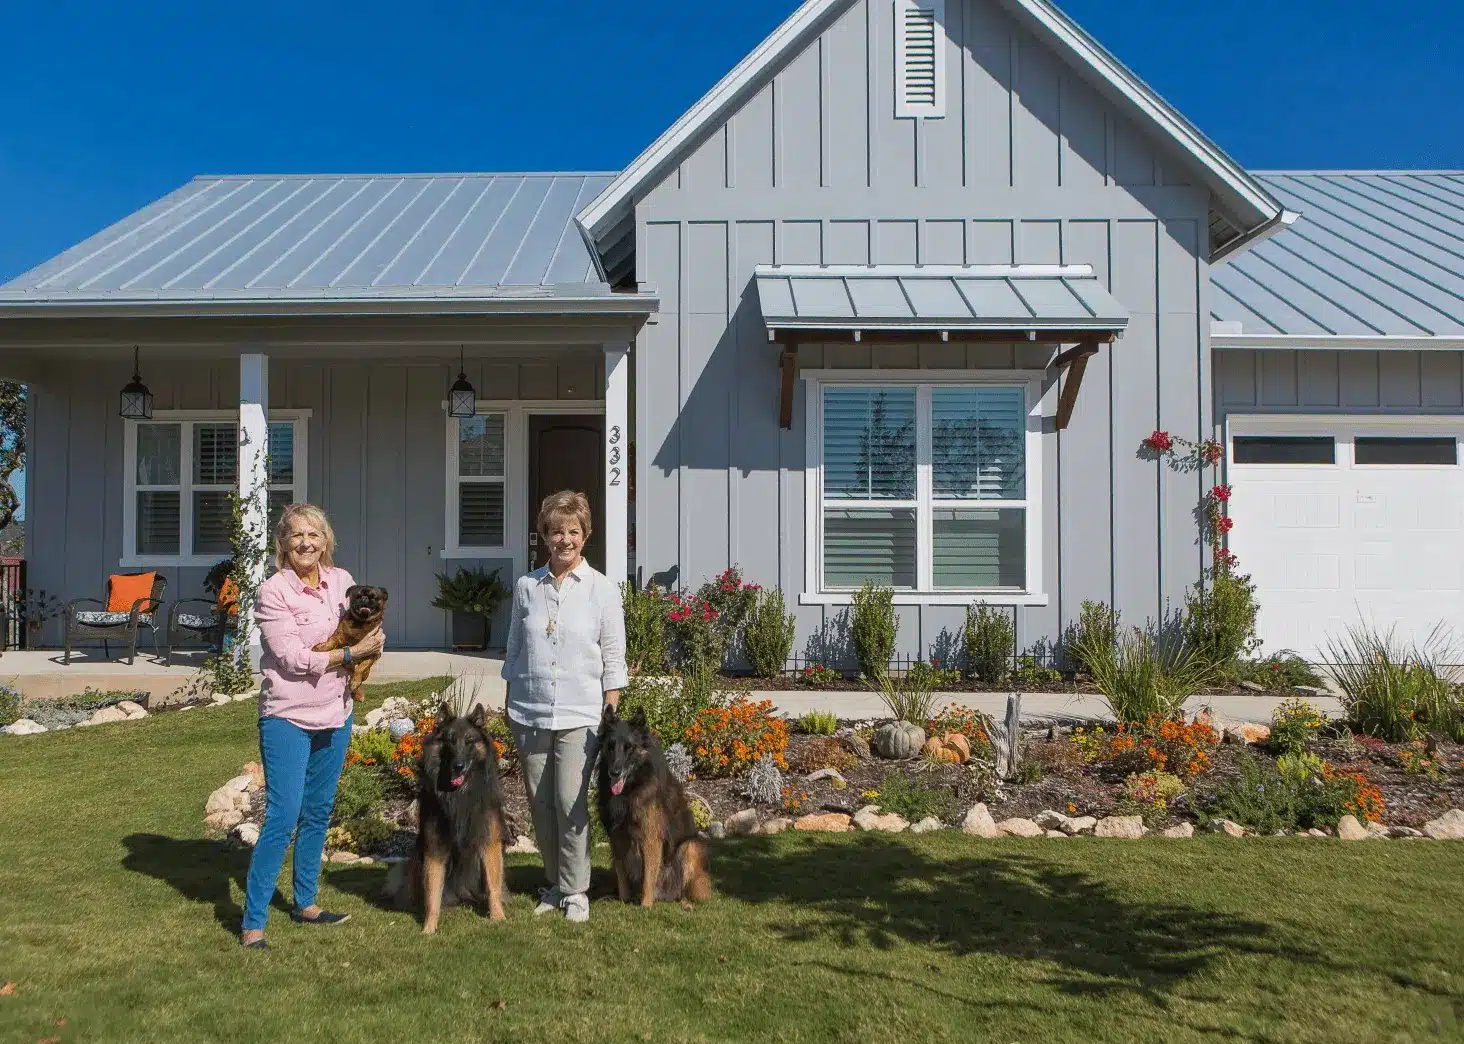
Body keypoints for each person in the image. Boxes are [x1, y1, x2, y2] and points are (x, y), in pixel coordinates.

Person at [239, 503, 386, 950]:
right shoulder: (273, 592)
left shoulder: (342, 582)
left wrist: (371, 645)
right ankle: (253, 922)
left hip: (336, 711)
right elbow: (291, 659)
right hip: (288, 714)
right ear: (283, 543)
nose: (306, 543)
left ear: (326, 541)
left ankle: (306, 902)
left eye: (314, 535)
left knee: (319, 811)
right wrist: (351, 655)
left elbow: (367, 629)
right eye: (297, 535)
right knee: (283, 816)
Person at [501, 490, 627, 923]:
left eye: (573, 531)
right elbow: (514, 646)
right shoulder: (527, 587)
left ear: (585, 535)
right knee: (541, 805)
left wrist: (610, 708)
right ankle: (555, 883)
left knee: (570, 802)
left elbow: (613, 655)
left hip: (581, 714)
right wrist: (510, 698)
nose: (565, 540)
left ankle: (576, 891)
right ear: (545, 536)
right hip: (530, 710)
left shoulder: (601, 589)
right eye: (556, 531)